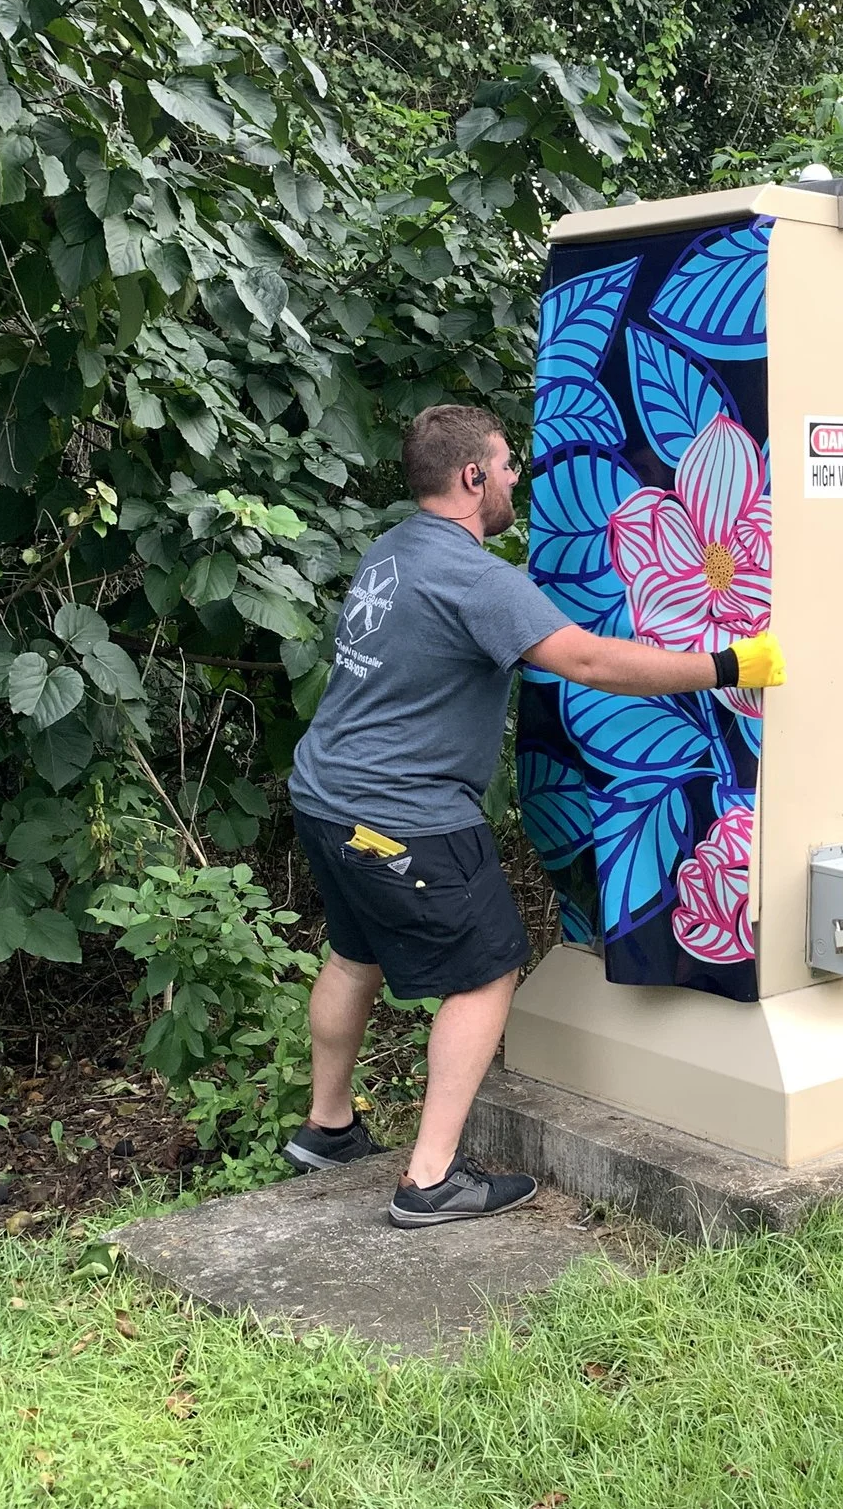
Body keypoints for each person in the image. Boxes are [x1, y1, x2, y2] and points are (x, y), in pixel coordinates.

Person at [280, 403, 782, 1227]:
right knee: (488, 971)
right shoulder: (476, 579)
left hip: (324, 796)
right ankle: (430, 1179)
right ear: (472, 475)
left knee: (354, 954)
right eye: (508, 463)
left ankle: (327, 1127)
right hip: (403, 815)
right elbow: (588, 659)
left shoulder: (392, 550)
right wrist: (727, 663)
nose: (519, 476)